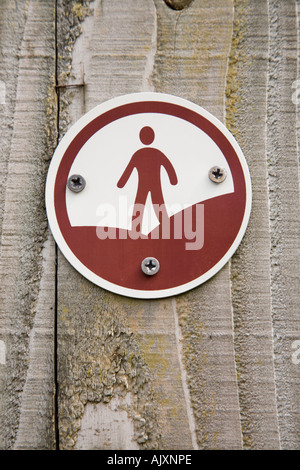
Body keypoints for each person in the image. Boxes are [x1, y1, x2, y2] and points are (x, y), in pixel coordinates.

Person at [117, 126, 178, 232]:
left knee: (140, 207)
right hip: (154, 186)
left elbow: (128, 171)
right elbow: (169, 167)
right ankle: (166, 230)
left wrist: (121, 183)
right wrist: (173, 180)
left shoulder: (138, 154)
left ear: (141, 138)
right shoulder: (156, 153)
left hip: (144, 186)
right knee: (158, 207)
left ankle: (136, 231)